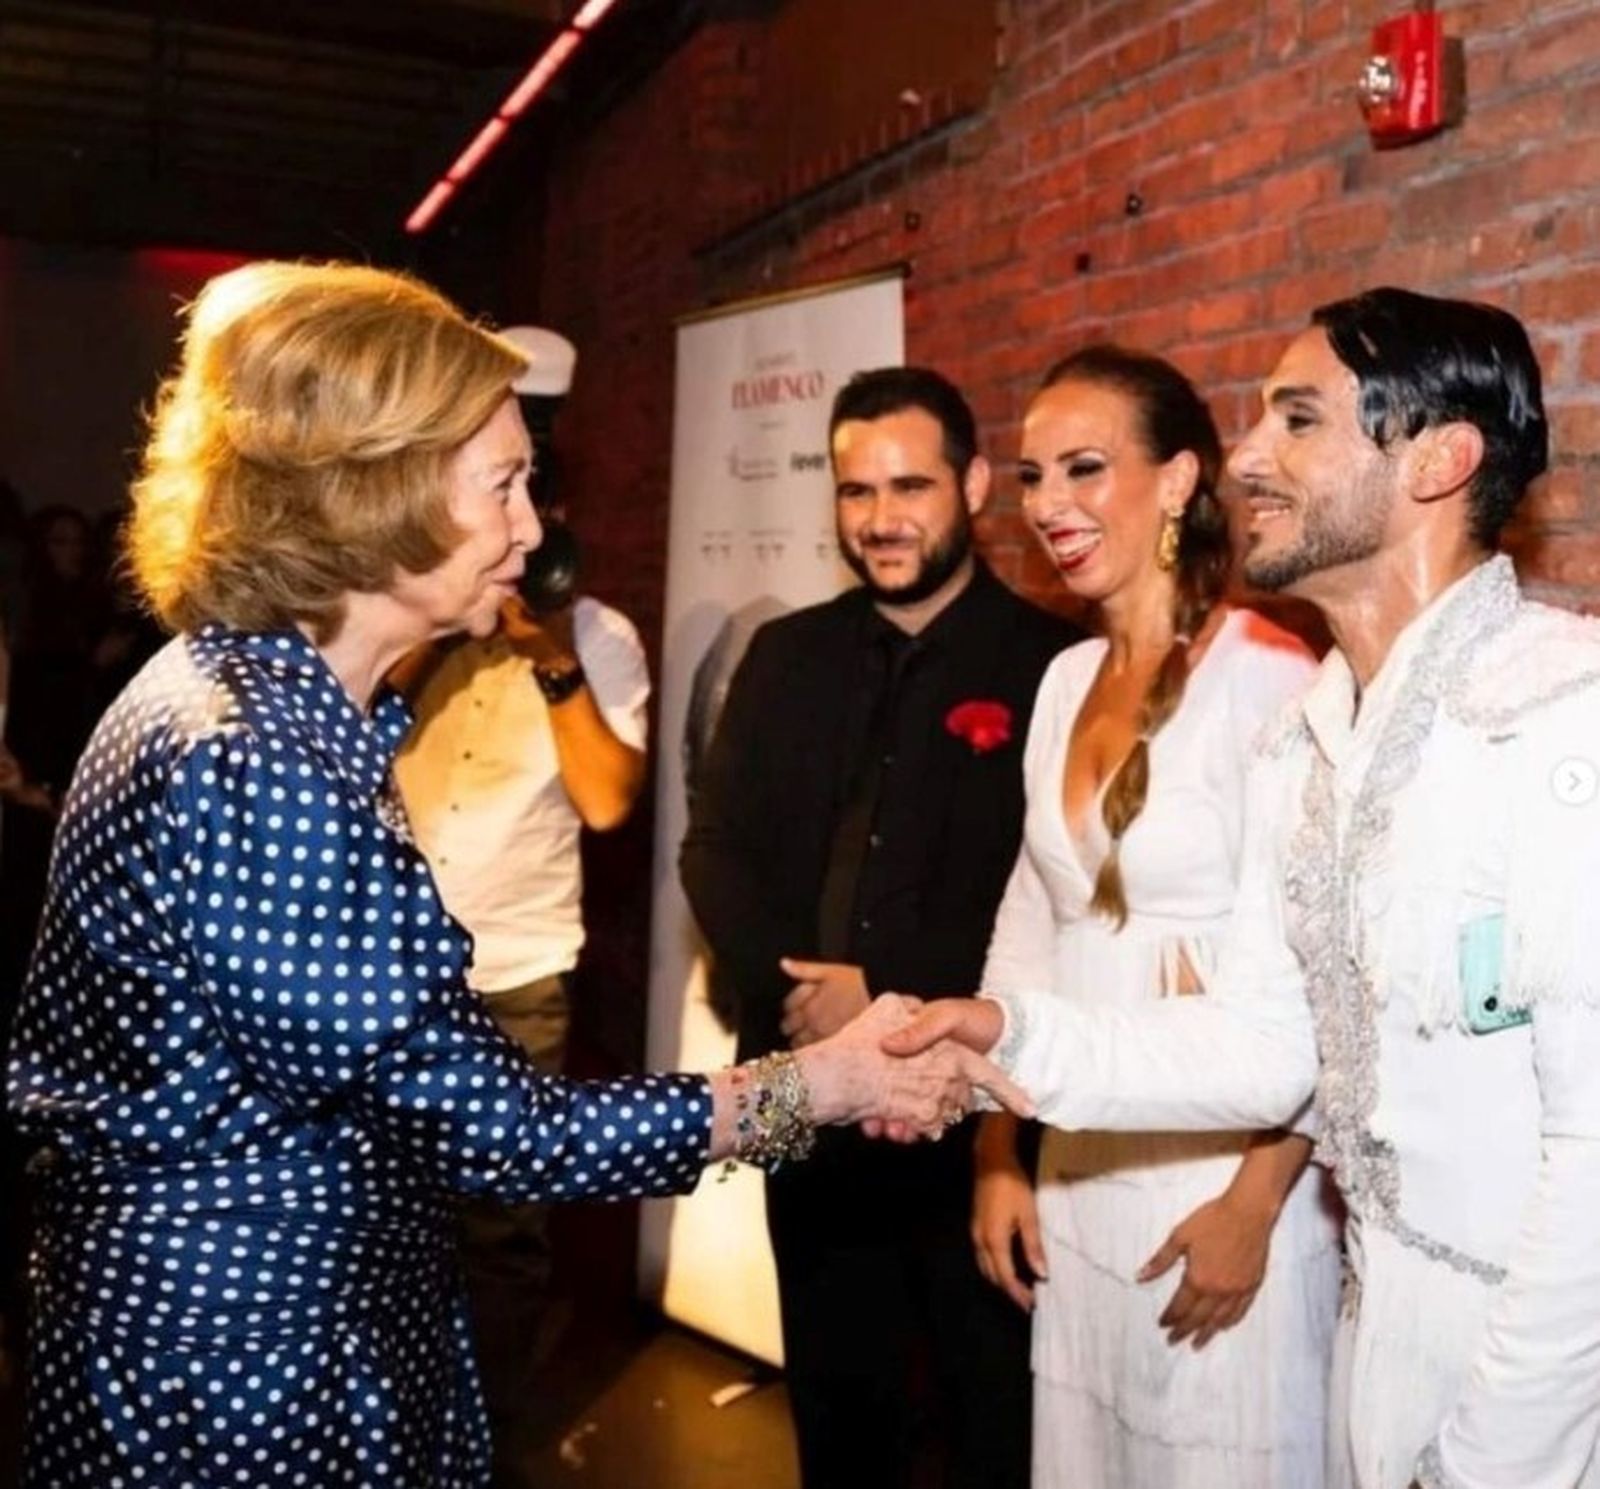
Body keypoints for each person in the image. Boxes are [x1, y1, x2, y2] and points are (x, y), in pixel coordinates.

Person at [2, 261, 1021, 1489]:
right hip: (246, 1384)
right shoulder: (256, 757)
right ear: (375, 491)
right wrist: (823, 1084)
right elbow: (503, 1133)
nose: (533, 530)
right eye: (503, 485)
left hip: (290, 1342)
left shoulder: (270, 706)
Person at [888, 288, 1600, 1489]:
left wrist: (1487, 1460)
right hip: (1373, 1343)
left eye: (1297, 421)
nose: (1246, 459)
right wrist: (1005, 1037)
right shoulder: (1308, 740)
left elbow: (1591, 1167)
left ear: (1438, 461)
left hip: (1535, 1389)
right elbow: (1266, 1049)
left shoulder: (1561, 712)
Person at [681, 366, 1081, 1489]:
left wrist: (885, 992)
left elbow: (1046, 896)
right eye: (856, 491)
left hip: (976, 1117)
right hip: (801, 1093)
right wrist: (805, 996)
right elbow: (713, 849)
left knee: (988, 1415)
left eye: (910, 487)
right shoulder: (783, 655)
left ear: (975, 485)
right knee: (833, 1404)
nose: (880, 517)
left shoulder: (1052, 665)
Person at [973, 346, 1340, 1488]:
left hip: (1220, 1175)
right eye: (1032, 477)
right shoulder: (1061, 680)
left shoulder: (1268, 674)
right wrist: (997, 1148)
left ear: (1178, 479)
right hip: (1079, 1163)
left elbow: (1327, 976)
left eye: (1084, 467)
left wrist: (1257, 1202)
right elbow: (1030, 920)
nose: (1050, 505)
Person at [389, 324, 650, 1483]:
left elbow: (607, 800)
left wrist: (547, 653)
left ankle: (479, 1445)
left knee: (501, 1236)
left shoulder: (599, 640)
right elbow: (347, 734)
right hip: (392, 972)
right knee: (387, 1220)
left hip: (517, 974)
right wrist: (441, 635)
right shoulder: (413, 626)